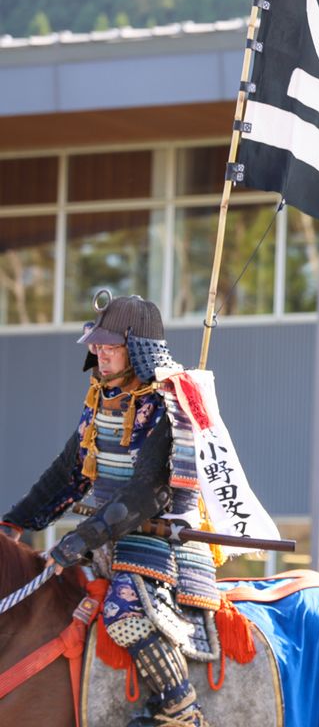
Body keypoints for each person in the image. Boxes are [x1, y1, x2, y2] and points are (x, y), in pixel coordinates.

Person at [0, 293, 217, 727]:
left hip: (158, 539)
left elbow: (146, 494)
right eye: (95, 344)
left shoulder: (166, 405)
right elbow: (69, 472)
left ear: (138, 347)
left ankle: (182, 709)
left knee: (124, 612)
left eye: (109, 344)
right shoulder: (101, 398)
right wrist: (17, 521)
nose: (98, 351)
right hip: (105, 536)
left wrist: (84, 536)